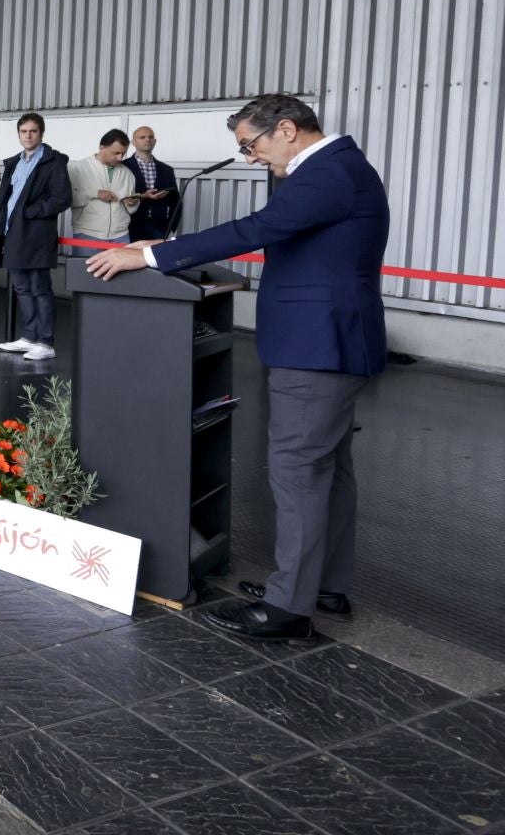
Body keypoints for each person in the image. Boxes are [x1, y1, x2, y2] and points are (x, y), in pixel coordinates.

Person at [86, 94, 388, 642]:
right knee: (328, 469)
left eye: (251, 144)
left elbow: (257, 228)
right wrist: (170, 244)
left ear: (288, 130)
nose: (250, 157)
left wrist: (150, 255)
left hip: (317, 348)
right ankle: (320, 584)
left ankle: (288, 609)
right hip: (332, 343)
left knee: (297, 471)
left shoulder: (327, 173)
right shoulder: (340, 169)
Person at [0, 113, 70, 362]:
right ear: (18, 134)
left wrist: (29, 212)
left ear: (41, 133)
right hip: (13, 234)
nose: (28, 135)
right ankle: (29, 337)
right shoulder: (14, 162)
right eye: (24, 131)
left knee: (40, 288)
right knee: (22, 288)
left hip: (36, 235)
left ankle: (45, 342)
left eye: (33, 131)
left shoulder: (53, 161)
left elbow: (62, 198)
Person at [67, 129, 137, 252]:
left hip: (121, 236)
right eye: (116, 153)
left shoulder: (127, 173)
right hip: (87, 235)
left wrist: (132, 203)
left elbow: (131, 209)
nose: (120, 158)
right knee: (85, 271)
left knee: (122, 272)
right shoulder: (76, 168)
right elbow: (67, 200)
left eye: (123, 154)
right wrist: (96, 193)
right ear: (101, 147)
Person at [124, 125, 180, 242]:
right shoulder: (124, 167)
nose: (147, 139)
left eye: (150, 137)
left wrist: (170, 226)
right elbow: (121, 195)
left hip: (159, 228)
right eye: (142, 137)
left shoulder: (167, 170)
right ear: (133, 142)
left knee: (156, 260)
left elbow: (176, 202)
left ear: (155, 141)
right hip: (130, 226)